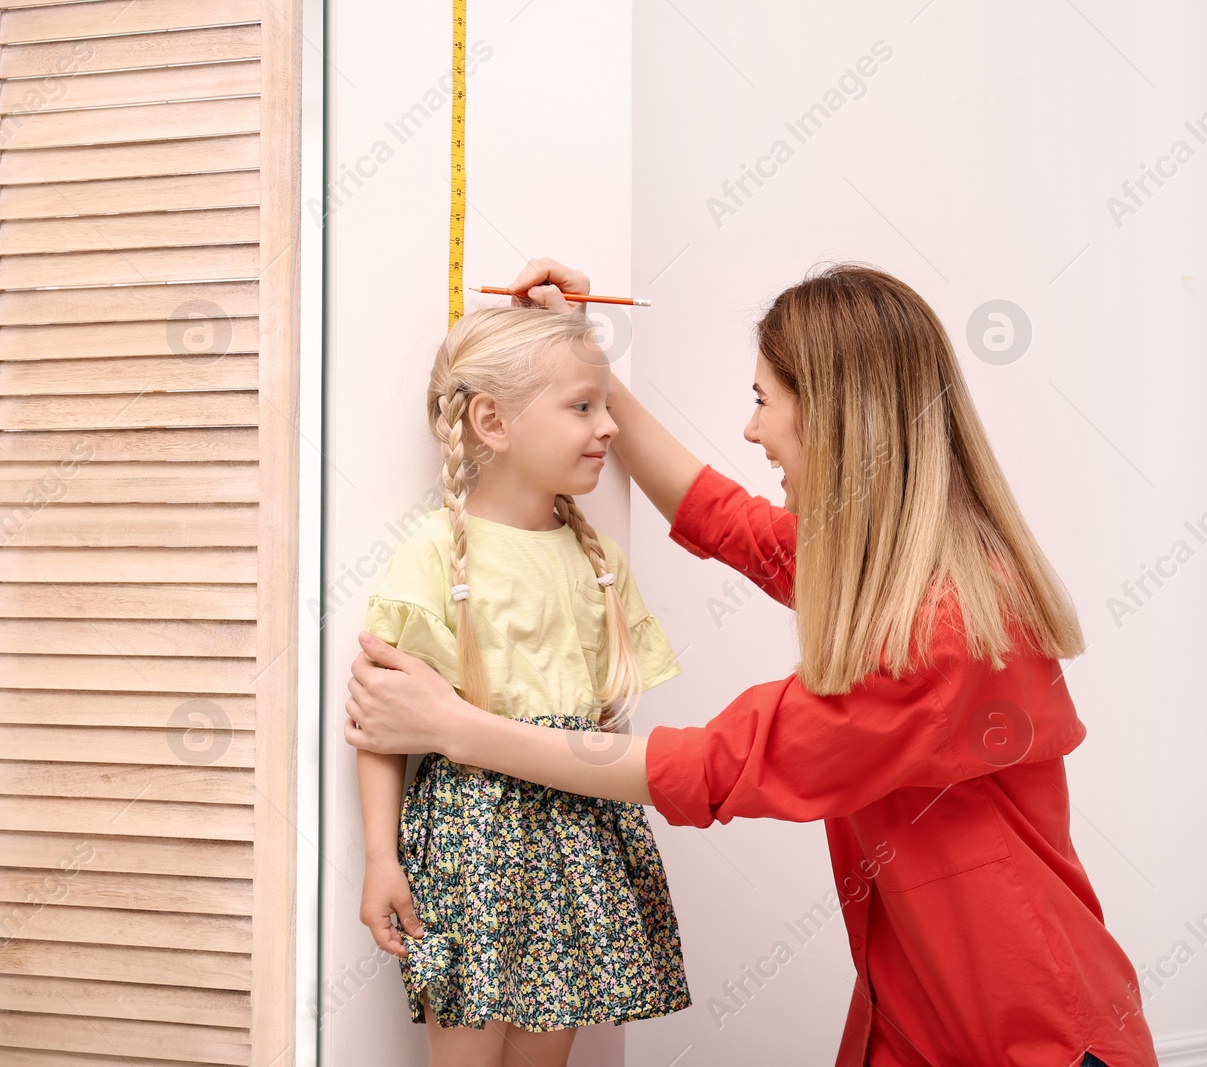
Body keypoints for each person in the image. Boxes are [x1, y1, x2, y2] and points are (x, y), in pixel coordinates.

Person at [347, 256, 1160, 1067]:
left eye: (763, 400)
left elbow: (707, 765)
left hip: (1031, 1037)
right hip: (912, 1019)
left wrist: (458, 727)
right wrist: (591, 378)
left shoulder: (941, 629)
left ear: (835, 419)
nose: (752, 429)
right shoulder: (893, 575)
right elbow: (727, 521)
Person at [353, 304, 691, 1067]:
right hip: (472, 840)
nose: (609, 427)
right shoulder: (438, 552)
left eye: (605, 405)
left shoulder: (593, 555)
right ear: (491, 421)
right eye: (583, 406)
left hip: (576, 834)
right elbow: (380, 723)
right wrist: (382, 858)